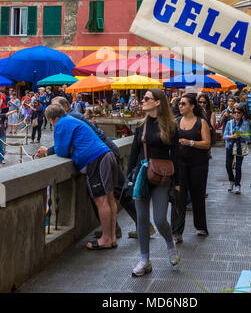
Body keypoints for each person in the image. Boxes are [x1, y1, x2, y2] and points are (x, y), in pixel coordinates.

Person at [36, 96, 154, 240]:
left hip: (98, 156)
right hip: (106, 151)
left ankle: (114, 233)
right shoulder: (73, 117)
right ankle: (114, 231)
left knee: (107, 196)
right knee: (113, 195)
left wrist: (50, 151)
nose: (54, 109)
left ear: (65, 107)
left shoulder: (66, 120)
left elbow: (62, 148)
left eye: (55, 106)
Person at [38, 104, 119, 249]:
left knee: (101, 201)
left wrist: (61, 149)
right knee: (110, 198)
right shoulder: (70, 119)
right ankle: (111, 237)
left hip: (95, 159)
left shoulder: (60, 124)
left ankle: (106, 239)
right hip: (106, 154)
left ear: (51, 119)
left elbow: (61, 151)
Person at [127, 88, 180, 277]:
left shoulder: (170, 126)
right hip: (143, 175)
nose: (142, 101)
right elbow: (134, 151)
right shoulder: (142, 125)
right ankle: (145, 260)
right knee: (141, 219)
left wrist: (177, 182)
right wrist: (129, 177)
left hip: (163, 176)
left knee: (159, 219)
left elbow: (176, 156)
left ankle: (170, 245)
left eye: (146, 98)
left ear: (158, 102)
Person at [171, 93, 211, 243]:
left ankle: (200, 226)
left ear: (192, 106)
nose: (180, 106)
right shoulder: (176, 122)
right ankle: (176, 231)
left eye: (183, 104)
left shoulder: (201, 122)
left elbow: (207, 143)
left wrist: (191, 143)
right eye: (179, 104)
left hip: (198, 165)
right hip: (180, 164)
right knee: (178, 197)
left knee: (198, 196)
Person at [223, 103, 250, 194]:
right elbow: (224, 136)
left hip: (240, 147)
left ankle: (237, 185)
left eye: (238, 112)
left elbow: (248, 138)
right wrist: (232, 136)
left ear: (242, 113)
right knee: (228, 165)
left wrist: (242, 134)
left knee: (238, 167)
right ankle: (231, 181)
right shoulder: (229, 123)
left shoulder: (245, 124)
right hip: (229, 146)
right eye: (234, 112)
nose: (236, 114)